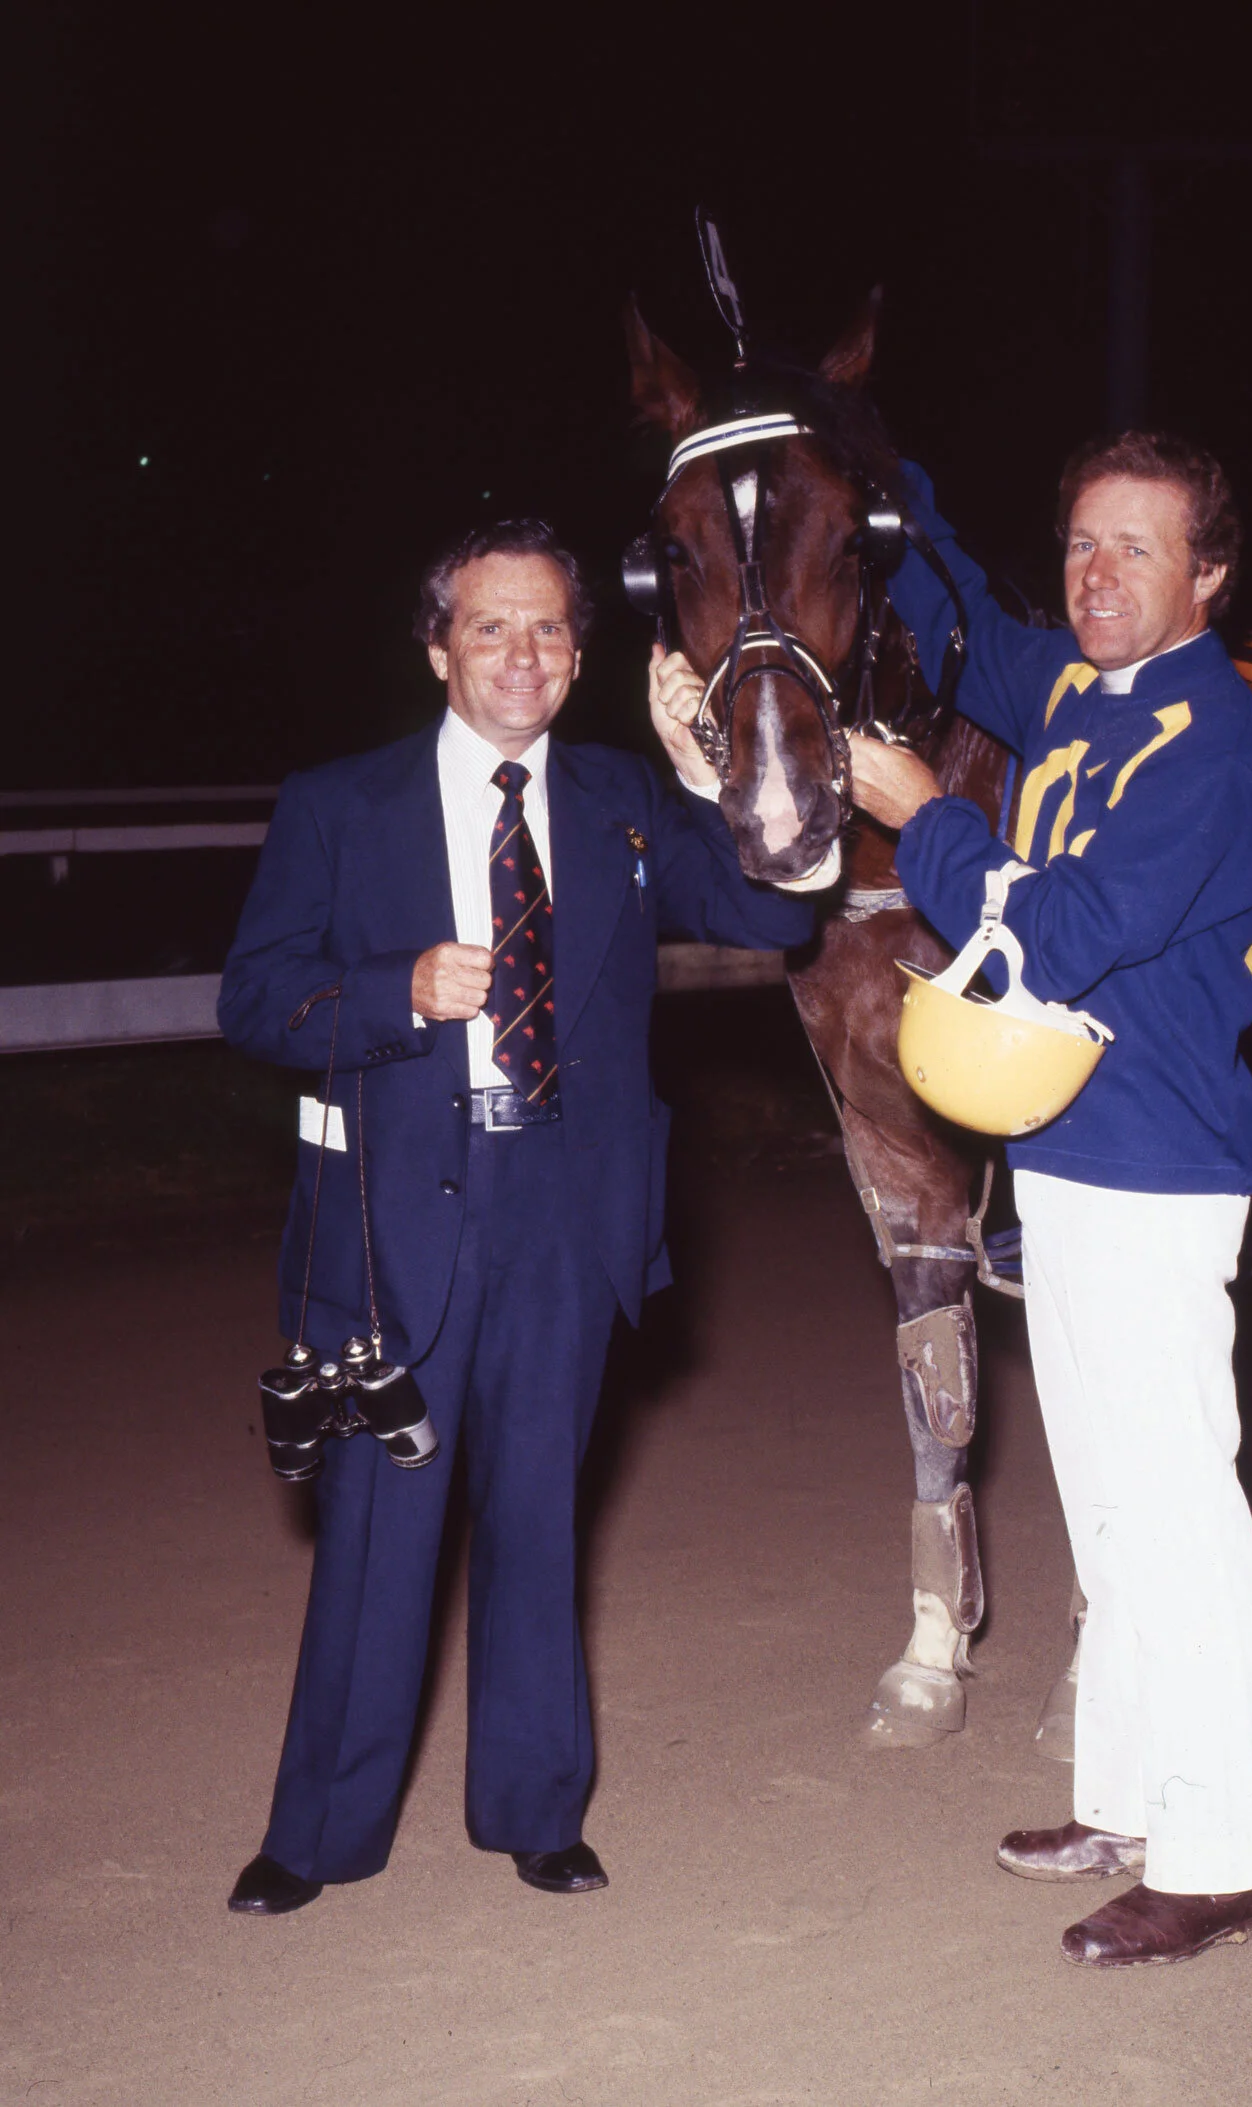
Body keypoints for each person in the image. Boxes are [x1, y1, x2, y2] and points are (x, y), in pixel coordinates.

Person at [218, 519, 813, 1914]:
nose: (522, 655)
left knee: (538, 1517)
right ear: (438, 648)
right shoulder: (340, 805)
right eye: (490, 626)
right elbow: (252, 999)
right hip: (395, 1218)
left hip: (567, 1209)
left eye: (548, 628)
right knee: (379, 1525)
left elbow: (777, 918)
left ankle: (537, 1809)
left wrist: (709, 765)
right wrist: (394, 989)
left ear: (581, 654)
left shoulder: (623, 799)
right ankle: (318, 1833)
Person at [848, 433, 1252, 1968]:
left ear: (1208, 576)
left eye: (1138, 549)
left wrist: (925, 812)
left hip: (1159, 1169)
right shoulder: (1080, 688)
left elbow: (1067, 929)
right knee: (1109, 1509)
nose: (1098, 575)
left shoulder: (1216, 740)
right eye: (1084, 544)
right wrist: (874, 469)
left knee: (1180, 1515)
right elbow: (967, 619)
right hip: (1068, 1158)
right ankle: (1125, 1799)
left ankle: (1222, 1855)